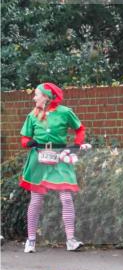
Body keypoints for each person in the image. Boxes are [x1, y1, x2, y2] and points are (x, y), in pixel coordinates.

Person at [19, 82, 90, 253]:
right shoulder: (32, 115)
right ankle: (31, 240)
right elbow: (24, 139)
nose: (34, 97)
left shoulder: (65, 112)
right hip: (39, 159)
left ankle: (71, 240)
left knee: (66, 197)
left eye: (36, 94)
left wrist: (77, 145)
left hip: (60, 157)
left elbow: (80, 129)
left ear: (46, 97)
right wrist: (30, 142)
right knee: (36, 200)